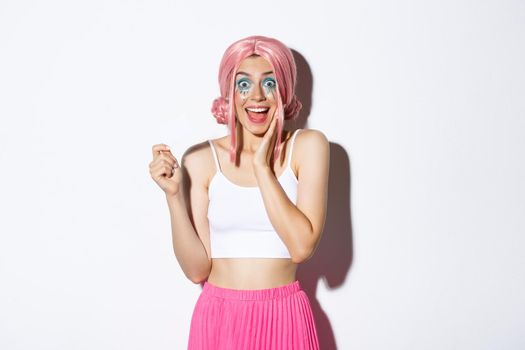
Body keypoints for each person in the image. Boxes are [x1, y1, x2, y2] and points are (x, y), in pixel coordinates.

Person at [149, 35, 329, 349]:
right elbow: (196, 270)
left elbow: (301, 247)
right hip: (218, 318)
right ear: (229, 93)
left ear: (284, 89)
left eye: (270, 83)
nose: (256, 96)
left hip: (284, 315)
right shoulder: (201, 159)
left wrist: (262, 167)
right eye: (243, 85)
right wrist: (174, 196)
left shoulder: (308, 147)